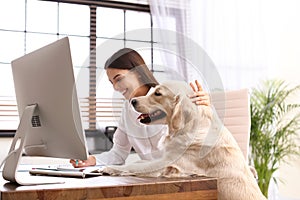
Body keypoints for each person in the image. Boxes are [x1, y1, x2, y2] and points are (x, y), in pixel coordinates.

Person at [70, 48, 210, 167]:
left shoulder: (171, 99)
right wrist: (91, 160)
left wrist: (203, 107)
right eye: (112, 82)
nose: (115, 87)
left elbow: (201, 140)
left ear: (137, 72)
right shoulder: (127, 109)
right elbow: (118, 153)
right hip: (151, 178)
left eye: (119, 79)